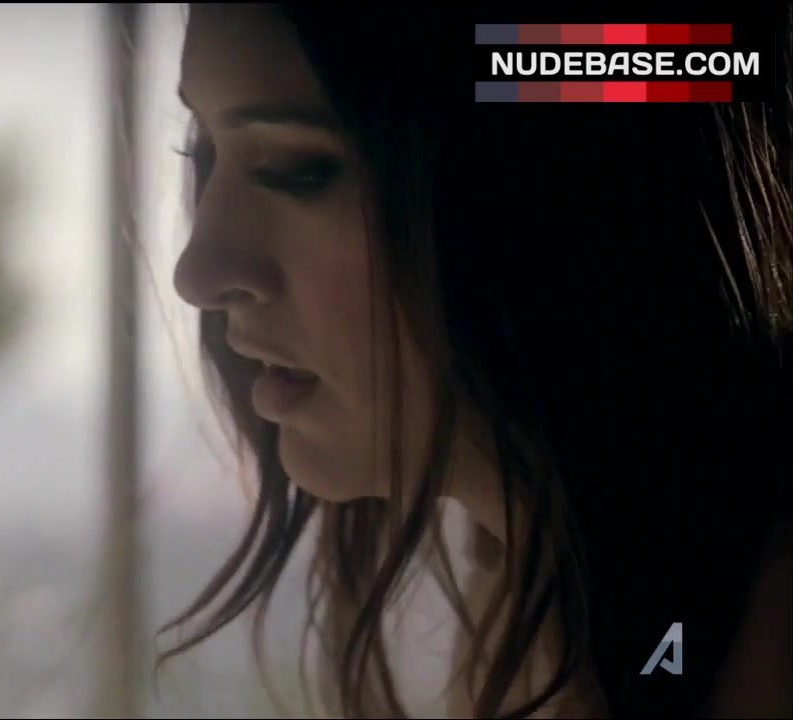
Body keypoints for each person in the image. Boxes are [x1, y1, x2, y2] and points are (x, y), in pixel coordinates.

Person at [155, 4, 792, 718]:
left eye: (299, 170)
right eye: (204, 153)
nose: (198, 274)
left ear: (546, 187)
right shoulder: (535, 607)